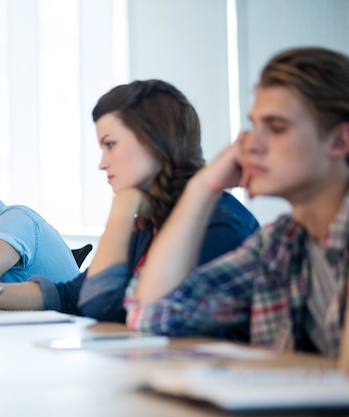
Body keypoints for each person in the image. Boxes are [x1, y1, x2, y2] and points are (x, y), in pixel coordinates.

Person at [0, 80, 259, 328]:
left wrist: (121, 207)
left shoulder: (218, 225)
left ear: (156, 142)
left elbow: (101, 303)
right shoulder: (150, 220)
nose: (102, 164)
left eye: (111, 145)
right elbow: (73, 294)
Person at [126, 47, 349, 365]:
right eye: (255, 125)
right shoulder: (281, 245)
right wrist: (203, 186)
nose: (251, 145)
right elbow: (154, 315)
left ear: (339, 142)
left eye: (277, 127)